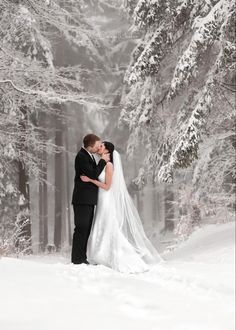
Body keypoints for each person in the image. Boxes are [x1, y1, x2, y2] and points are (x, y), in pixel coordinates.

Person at [80, 141, 162, 273]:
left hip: (106, 199)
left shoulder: (109, 165)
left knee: (107, 225)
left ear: (107, 151)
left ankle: (111, 255)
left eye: (101, 146)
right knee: (101, 224)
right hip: (101, 199)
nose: (99, 148)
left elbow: (107, 186)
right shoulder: (102, 163)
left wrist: (90, 180)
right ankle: (100, 253)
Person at [71, 134, 110, 264]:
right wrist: (103, 160)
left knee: (86, 229)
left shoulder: (90, 155)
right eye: (97, 146)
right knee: (81, 228)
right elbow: (93, 174)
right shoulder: (81, 157)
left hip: (88, 200)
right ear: (90, 146)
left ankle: (82, 258)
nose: (99, 147)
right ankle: (77, 259)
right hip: (82, 199)